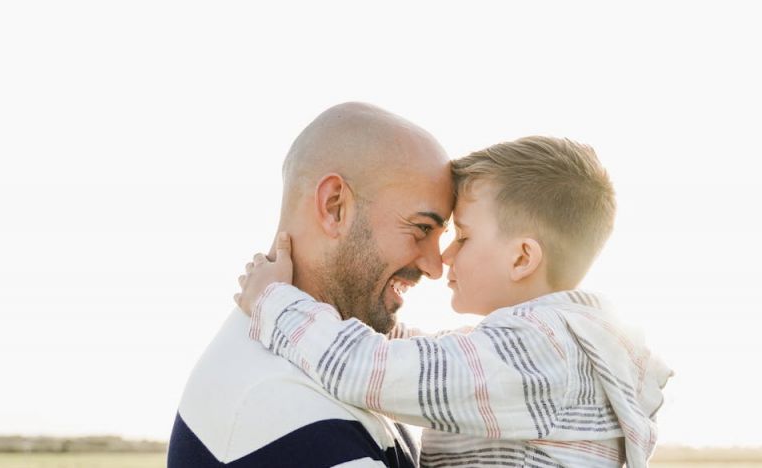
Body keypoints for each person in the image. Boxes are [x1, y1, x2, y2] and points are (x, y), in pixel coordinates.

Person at [235, 136, 673, 467]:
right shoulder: (563, 348)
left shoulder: (539, 351)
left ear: (522, 257)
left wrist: (275, 302)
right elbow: (431, 355)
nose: (444, 257)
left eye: (462, 236)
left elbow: (371, 371)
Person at [167, 102, 454, 467]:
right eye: (422, 229)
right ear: (334, 206)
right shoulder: (277, 401)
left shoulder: (316, 367)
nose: (435, 267)